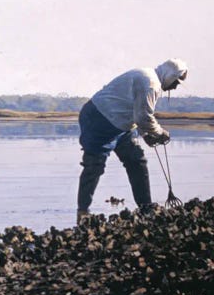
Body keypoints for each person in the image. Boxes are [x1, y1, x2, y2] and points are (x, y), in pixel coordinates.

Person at [76, 58, 188, 222]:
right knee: (94, 166)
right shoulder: (151, 83)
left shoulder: (150, 79)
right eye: (176, 81)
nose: (175, 86)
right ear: (169, 75)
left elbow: (137, 112)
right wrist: (160, 133)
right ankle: (82, 212)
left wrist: (146, 135)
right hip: (99, 119)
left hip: (121, 125)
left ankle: (145, 207)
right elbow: (143, 117)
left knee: (137, 160)